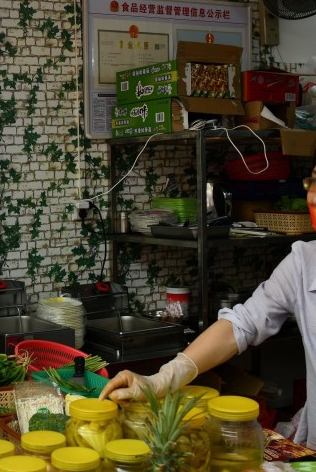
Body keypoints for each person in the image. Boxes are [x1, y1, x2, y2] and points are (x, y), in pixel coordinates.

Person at [101, 163, 316, 450]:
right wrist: (161, 380)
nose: (312, 197)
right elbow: (241, 325)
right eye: (313, 181)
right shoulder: (304, 264)